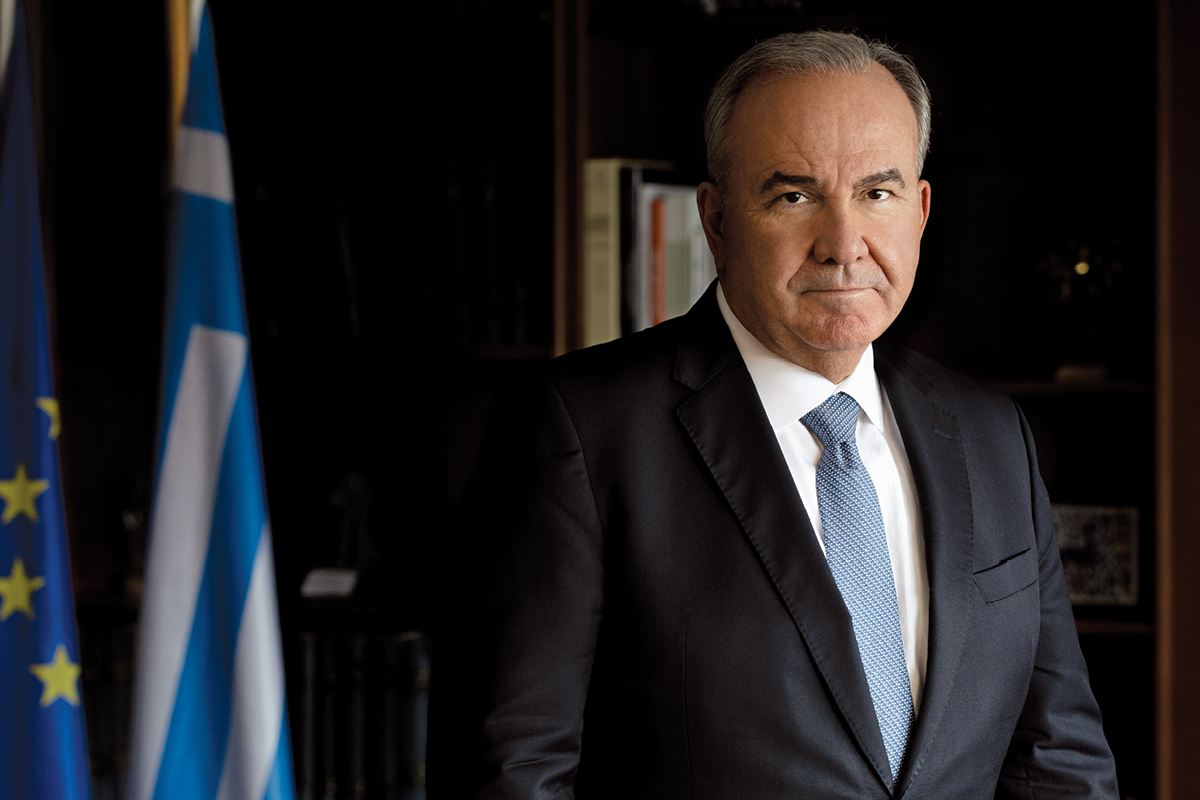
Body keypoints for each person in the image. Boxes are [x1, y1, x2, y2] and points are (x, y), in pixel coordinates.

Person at [429, 30, 1118, 799]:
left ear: (920, 210)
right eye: (794, 196)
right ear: (717, 220)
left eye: (877, 193)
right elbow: (512, 773)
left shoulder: (994, 435)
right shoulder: (578, 433)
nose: (844, 245)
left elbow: (1058, 761)